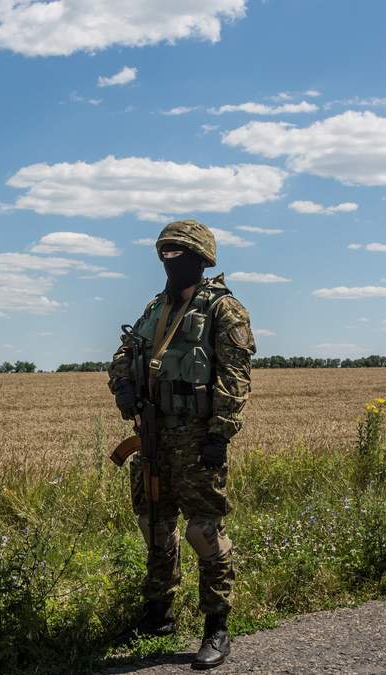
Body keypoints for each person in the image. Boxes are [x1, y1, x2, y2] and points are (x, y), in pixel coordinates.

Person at [108, 219, 256, 670]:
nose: (170, 261)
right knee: (155, 524)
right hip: (153, 435)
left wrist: (220, 435)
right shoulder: (156, 308)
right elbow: (122, 356)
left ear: (200, 259)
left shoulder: (224, 309)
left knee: (203, 532)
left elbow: (235, 377)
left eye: (178, 254)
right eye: (164, 254)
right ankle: (159, 614)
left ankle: (217, 627)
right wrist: (124, 389)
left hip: (197, 439)